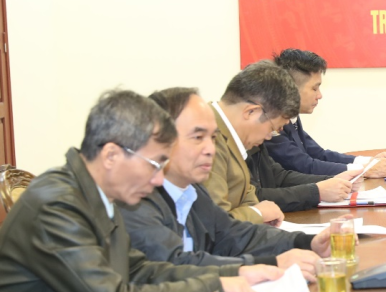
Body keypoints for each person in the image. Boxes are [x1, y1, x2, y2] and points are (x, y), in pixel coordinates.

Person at [0, 90, 270, 292]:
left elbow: (139, 270)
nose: (159, 179)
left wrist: (234, 273)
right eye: (155, 165)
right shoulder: (57, 206)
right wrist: (213, 288)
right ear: (111, 155)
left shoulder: (96, 193)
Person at [122, 87, 335, 281]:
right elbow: (176, 266)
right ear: (159, 141)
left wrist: (306, 242)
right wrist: (271, 264)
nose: (210, 149)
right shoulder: (137, 200)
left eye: (213, 138)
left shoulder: (192, 190)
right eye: (198, 137)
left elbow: (232, 234)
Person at [208, 61, 357, 224]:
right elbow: (217, 223)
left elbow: (260, 191)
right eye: (273, 128)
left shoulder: (235, 135)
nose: (270, 137)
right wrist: (258, 213)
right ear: (251, 112)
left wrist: (304, 237)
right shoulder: (207, 140)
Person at [266, 48, 386, 178]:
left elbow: (319, 154)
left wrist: (368, 162)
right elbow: (304, 165)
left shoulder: (292, 117)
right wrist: (365, 170)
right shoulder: (270, 123)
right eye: (314, 89)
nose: (319, 95)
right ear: (291, 89)